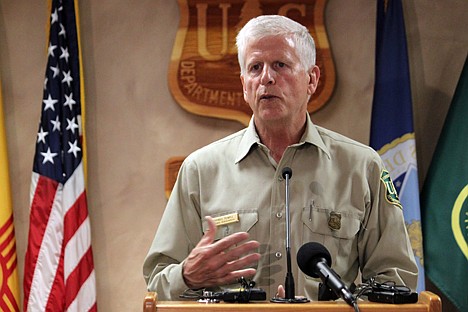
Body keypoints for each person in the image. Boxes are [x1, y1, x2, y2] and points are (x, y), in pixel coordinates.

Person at [143, 15, 418, 301]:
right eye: (255, 68)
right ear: (244, 84)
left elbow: (396, 281)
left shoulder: (362, 167)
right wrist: (189, 275)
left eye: (280, 65)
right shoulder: (200, 170)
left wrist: (335, 307)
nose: (266, 78)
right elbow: (157, 282)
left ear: (311, 79)